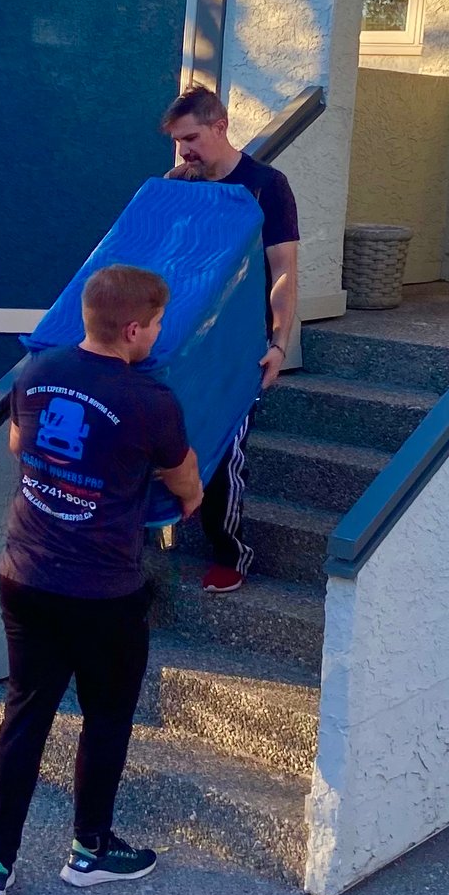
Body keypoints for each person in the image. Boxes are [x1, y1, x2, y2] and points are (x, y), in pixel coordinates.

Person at [0, 263, 203, 895]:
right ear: (133, 328)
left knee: (25, 713)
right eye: (155, 324)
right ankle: (90, 850)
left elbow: (22, 444)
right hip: (102, 592)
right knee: (105, 718)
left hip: (25, 575)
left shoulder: (37, 371)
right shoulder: (150, 400)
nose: (157, 334)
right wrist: (186, 496)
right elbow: (184, 484)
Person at [161, 83, 300, 594]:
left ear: (220, 127)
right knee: (166, 438)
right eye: (178, 141)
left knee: (224, 447)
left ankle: (230, 553)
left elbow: (283, 268)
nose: (184, 151)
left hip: (240, 346)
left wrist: (280, 342)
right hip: (180, 342)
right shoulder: (179, 182)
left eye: (191, 137)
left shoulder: (266, 185)